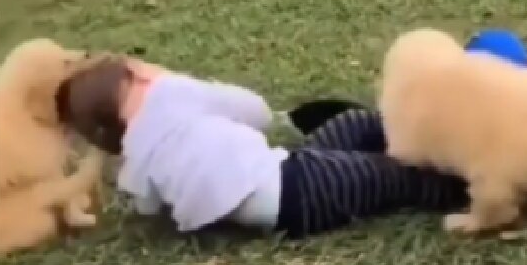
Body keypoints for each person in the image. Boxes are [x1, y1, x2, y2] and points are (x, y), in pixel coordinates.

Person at [53, 55, 470, 239]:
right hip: (302, 188)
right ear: (140, 75)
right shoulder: (169, 91)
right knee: (397, 178)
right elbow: (257, 113)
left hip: (291, 175)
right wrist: (195, 88)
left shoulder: (134, 165)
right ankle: (476, 182)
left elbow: (149, 206)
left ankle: (419, 140)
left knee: (354, 131)